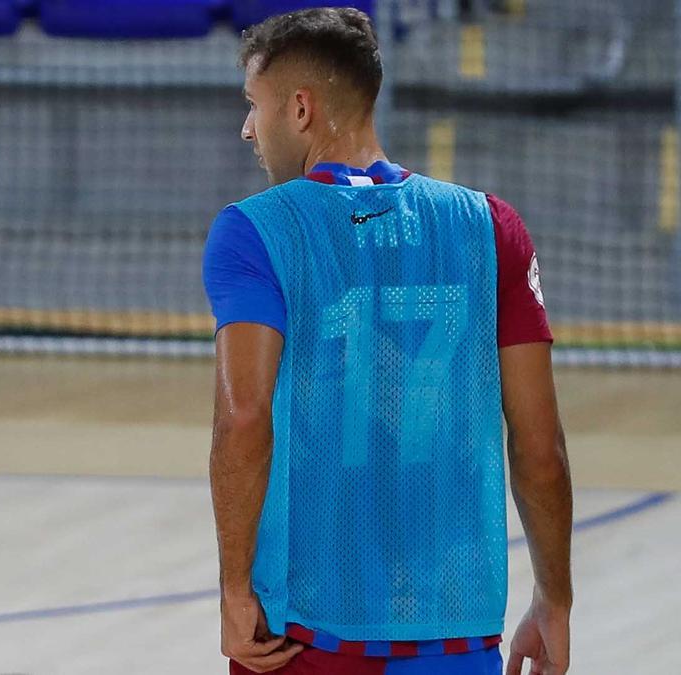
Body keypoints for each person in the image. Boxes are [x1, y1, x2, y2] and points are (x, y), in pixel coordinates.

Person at [203, 8, 572, 675]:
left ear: (301, 109)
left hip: (306, 635)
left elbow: (244, 418)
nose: (247, 129)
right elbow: (541, 448)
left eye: (255, 107)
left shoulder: (254, 231)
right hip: (455, 631)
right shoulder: (492, 227)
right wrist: (556, 596)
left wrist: (232, 588)